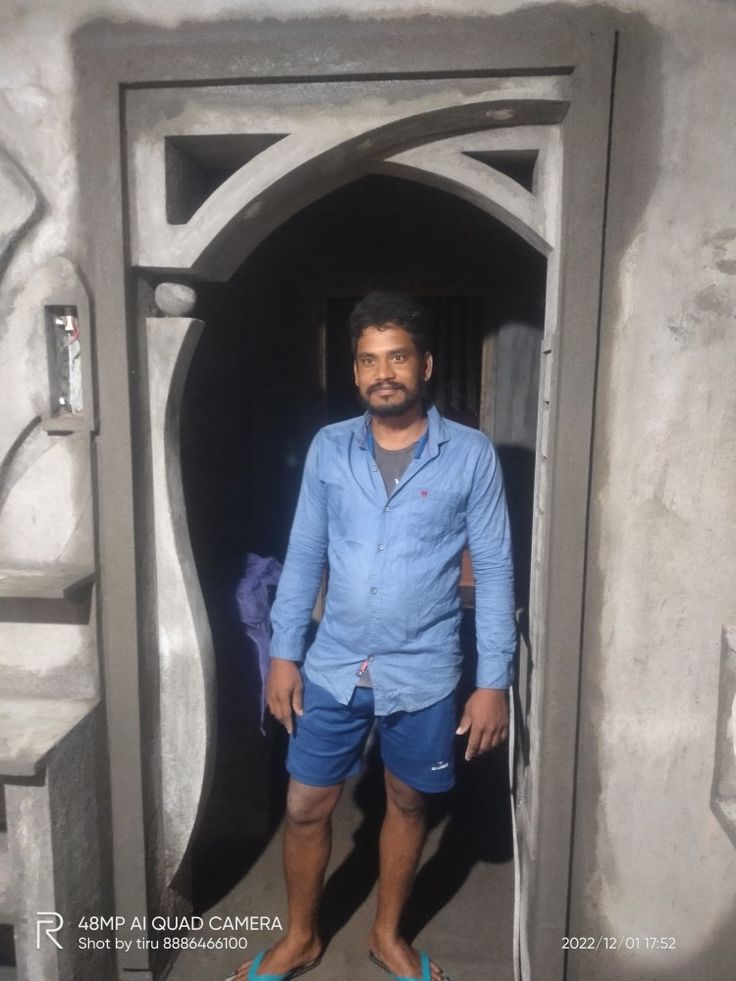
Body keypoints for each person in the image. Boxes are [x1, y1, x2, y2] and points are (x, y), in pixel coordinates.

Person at [228, 290, 516, 981]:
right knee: (305, 805)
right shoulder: (331, 449)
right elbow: (303, 557)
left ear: (424, 364)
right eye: (368, 360)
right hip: (331, 665)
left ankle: (387, 935)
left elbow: (499, 569)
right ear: (356, 371)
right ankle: (300, 936)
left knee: (409, 800)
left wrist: (493, 682)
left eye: (397, 357)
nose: (382, 372)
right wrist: (284, 654)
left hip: (424, 669)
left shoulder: (470, 455)